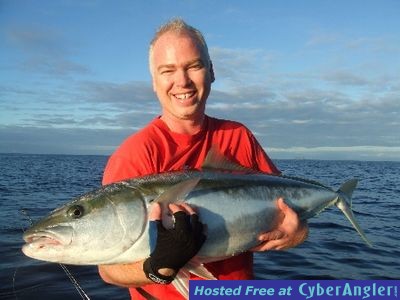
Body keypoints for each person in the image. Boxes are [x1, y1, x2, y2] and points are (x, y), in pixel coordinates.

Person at [98, 18, 308, 299]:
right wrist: (157, 266)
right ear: (154, 82)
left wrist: (298, 233)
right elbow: (109, 271)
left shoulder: (238, 135)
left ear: (211, 72)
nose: (182, 81)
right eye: (167, 70)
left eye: (193, 66)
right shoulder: (135, 154)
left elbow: (286, 206)